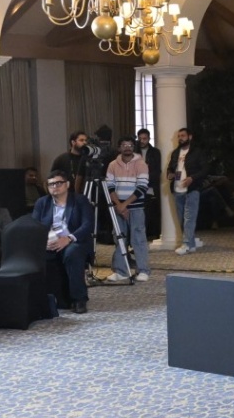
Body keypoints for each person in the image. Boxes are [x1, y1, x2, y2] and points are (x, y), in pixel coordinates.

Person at [32, 170, 95, 314]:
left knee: (72, 253)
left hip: (74, 241)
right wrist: (43, 241)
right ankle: (47, 299)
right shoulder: (42, 203)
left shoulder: (80, 200)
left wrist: (69, 238)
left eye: (59, 183)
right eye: (51, 184)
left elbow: (88, 225)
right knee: (37, 256)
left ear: (67, 184)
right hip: (50, 242)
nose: (55, 186)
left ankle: (79, 299)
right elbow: (34, 225)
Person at [103, 136, 151, 282]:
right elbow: (109, 186)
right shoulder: (112, 165)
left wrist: (124, 205)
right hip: (118, 207)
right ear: (119, 148)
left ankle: (143, 270)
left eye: (130, 145)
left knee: (138, 239)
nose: (127, 148)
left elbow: (142, 187)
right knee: (119, 238)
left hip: (136, 207)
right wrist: (119, 205)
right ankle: (121, 271)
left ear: (133, 147)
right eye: (124, 145)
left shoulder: (141, 164)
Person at [167, 128, 208, 255]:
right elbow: (170, 168)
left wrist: (192, 178)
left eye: (183, 136)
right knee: (181, 219)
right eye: (179, 136)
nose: (180, 138)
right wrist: (170, 174)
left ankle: (186, 244)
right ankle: (191, 244)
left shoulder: (197, 152)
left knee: (189, 218)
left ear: (190, 137)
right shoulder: (175, 153)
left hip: (192, 189)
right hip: (177, 189)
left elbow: (205, 169)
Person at [136, 128, 162, 242]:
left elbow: (157, 170)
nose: (142, 141)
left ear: (149, 139)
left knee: (150, 210)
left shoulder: (155, 152)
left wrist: (147, 180)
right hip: (136, 185)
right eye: (140, 138)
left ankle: (151, 233)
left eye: (144, 138)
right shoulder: (134, 152)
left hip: (150, 185)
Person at [51, 130, 91, 198]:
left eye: (86, 140)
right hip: (66, 195)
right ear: (73, 142)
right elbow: (52, 178)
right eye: (81, 140)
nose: (85, 143)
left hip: (86, 194)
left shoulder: (88, 159)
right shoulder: (61, 159)